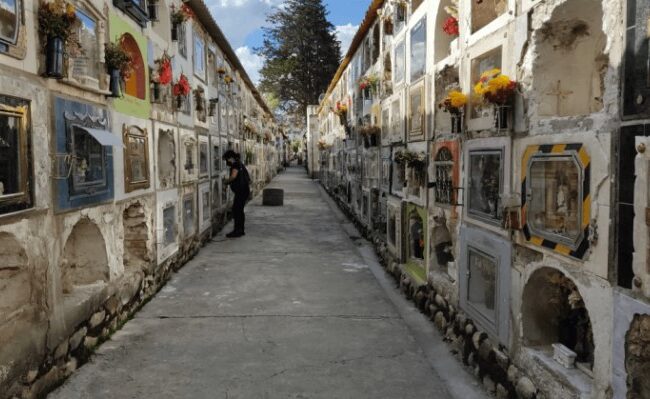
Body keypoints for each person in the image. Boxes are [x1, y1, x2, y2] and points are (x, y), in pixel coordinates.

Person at [223, 150, 251, 238]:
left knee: (237, 210)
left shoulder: (235, 164)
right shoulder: (240, 163)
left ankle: (237, 231)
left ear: (230, 158)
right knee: (239, 210)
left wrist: (226, 182)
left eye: (227, 160)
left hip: (241, 191)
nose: (227, 162)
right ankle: (241, 230)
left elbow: (233, 176)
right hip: (244, 190)